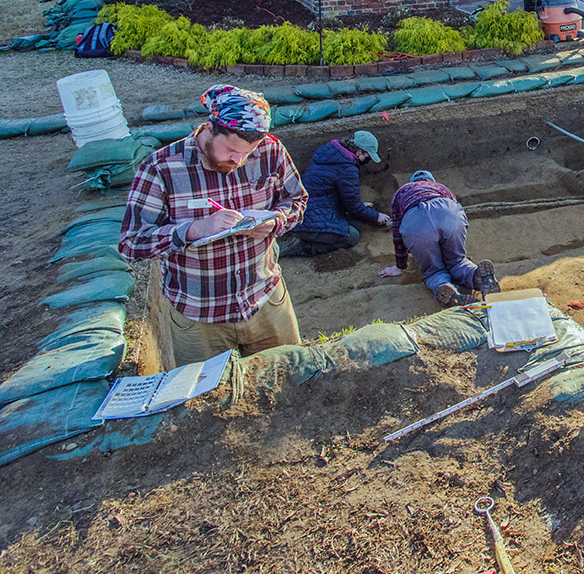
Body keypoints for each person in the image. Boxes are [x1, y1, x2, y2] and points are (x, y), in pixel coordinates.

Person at [119, 85, 309, 365]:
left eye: (248, 153)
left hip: (265, 298)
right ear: (209, 129)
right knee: (203, 399)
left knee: (290, 375)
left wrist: (275, 222)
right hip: (198, 316)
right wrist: (194, 230)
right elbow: (131, 243)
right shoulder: (161, 169)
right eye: (231, 150)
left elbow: (297, 200)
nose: (238, 160)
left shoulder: (271, 151)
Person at [379, 170, 500, 307]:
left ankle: (447, 289)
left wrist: (400, 266)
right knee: (457, 262)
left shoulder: (401, 192)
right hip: (448, 213)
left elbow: (397, 232)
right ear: (432, 181)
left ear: (413, 183)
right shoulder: (440, 188)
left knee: (434, 271)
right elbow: (461, 223)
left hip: (416, 221)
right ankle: (478, 277)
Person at [283, 130, 390, 256]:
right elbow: (353, 207)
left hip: (308, 209)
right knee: (352, 237)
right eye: (367, 156)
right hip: (310, 220)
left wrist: (361, 207)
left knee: (358, 222)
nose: (368, 160)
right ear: (359, 151)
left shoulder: (330, 152)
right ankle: (302, 246)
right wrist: (377, 216)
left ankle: (306, 236)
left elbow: (342, 195)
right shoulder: (347, 168)